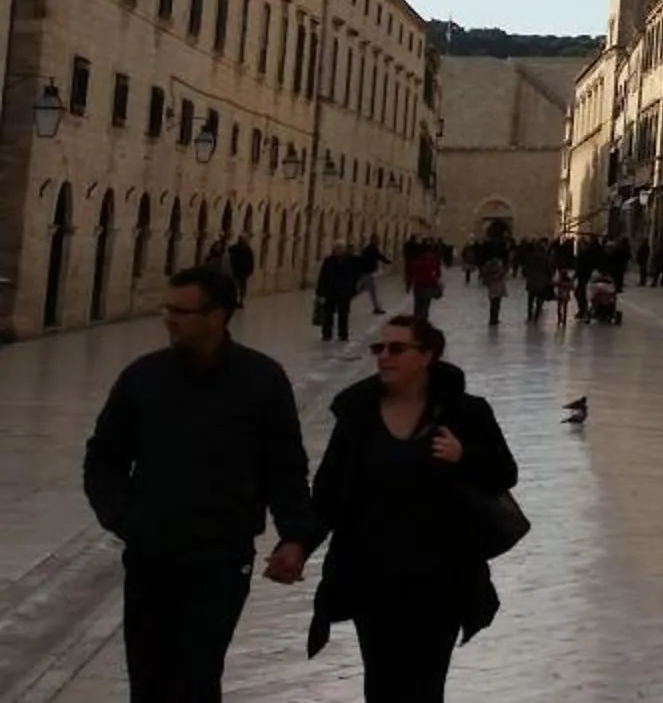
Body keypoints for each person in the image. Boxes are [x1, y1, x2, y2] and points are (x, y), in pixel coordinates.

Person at [82, 266, 323, 703]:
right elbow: (104, 458)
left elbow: (284, 465)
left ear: (218, 315)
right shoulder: (143, 377)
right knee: (148, 677)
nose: (168, 319)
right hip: (152, 553)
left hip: (221, 555)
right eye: (167, 309)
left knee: (198, 674)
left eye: (181, 311)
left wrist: (295, 536)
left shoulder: (261, 379)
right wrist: (125, 517)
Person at [295, 315, 520, 702]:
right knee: (380, 683)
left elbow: (504, 473)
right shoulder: (357, 415)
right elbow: (329, 492)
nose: (384, 356)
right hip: (372, 578)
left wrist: (464, 456)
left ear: (427, 355)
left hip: (440, 580)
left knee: (425, 685)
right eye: (379, 348)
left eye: (397, 349)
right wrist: (298, 545)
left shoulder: (465, 413)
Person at [315, 247, 361, 344]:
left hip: (344, 292)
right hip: (330, 292)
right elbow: (323, 276)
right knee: (328, 314)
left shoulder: (350, 261)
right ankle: (327, 334)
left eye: (340, 249)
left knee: (343, 314)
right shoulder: (329, 261)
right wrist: (320, 292)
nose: (338, 250)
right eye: (337, 248)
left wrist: (352, 289)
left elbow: (355, 275)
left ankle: (343, 334)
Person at [477, 254, 509, 331]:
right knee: (496, 303)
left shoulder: (488, 268)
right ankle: (494, 318)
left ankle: (493, 318)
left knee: (493, 303)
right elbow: (502, 274)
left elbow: (485, 277)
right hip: (498, 287)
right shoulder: (498, 268)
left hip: (492, 287)